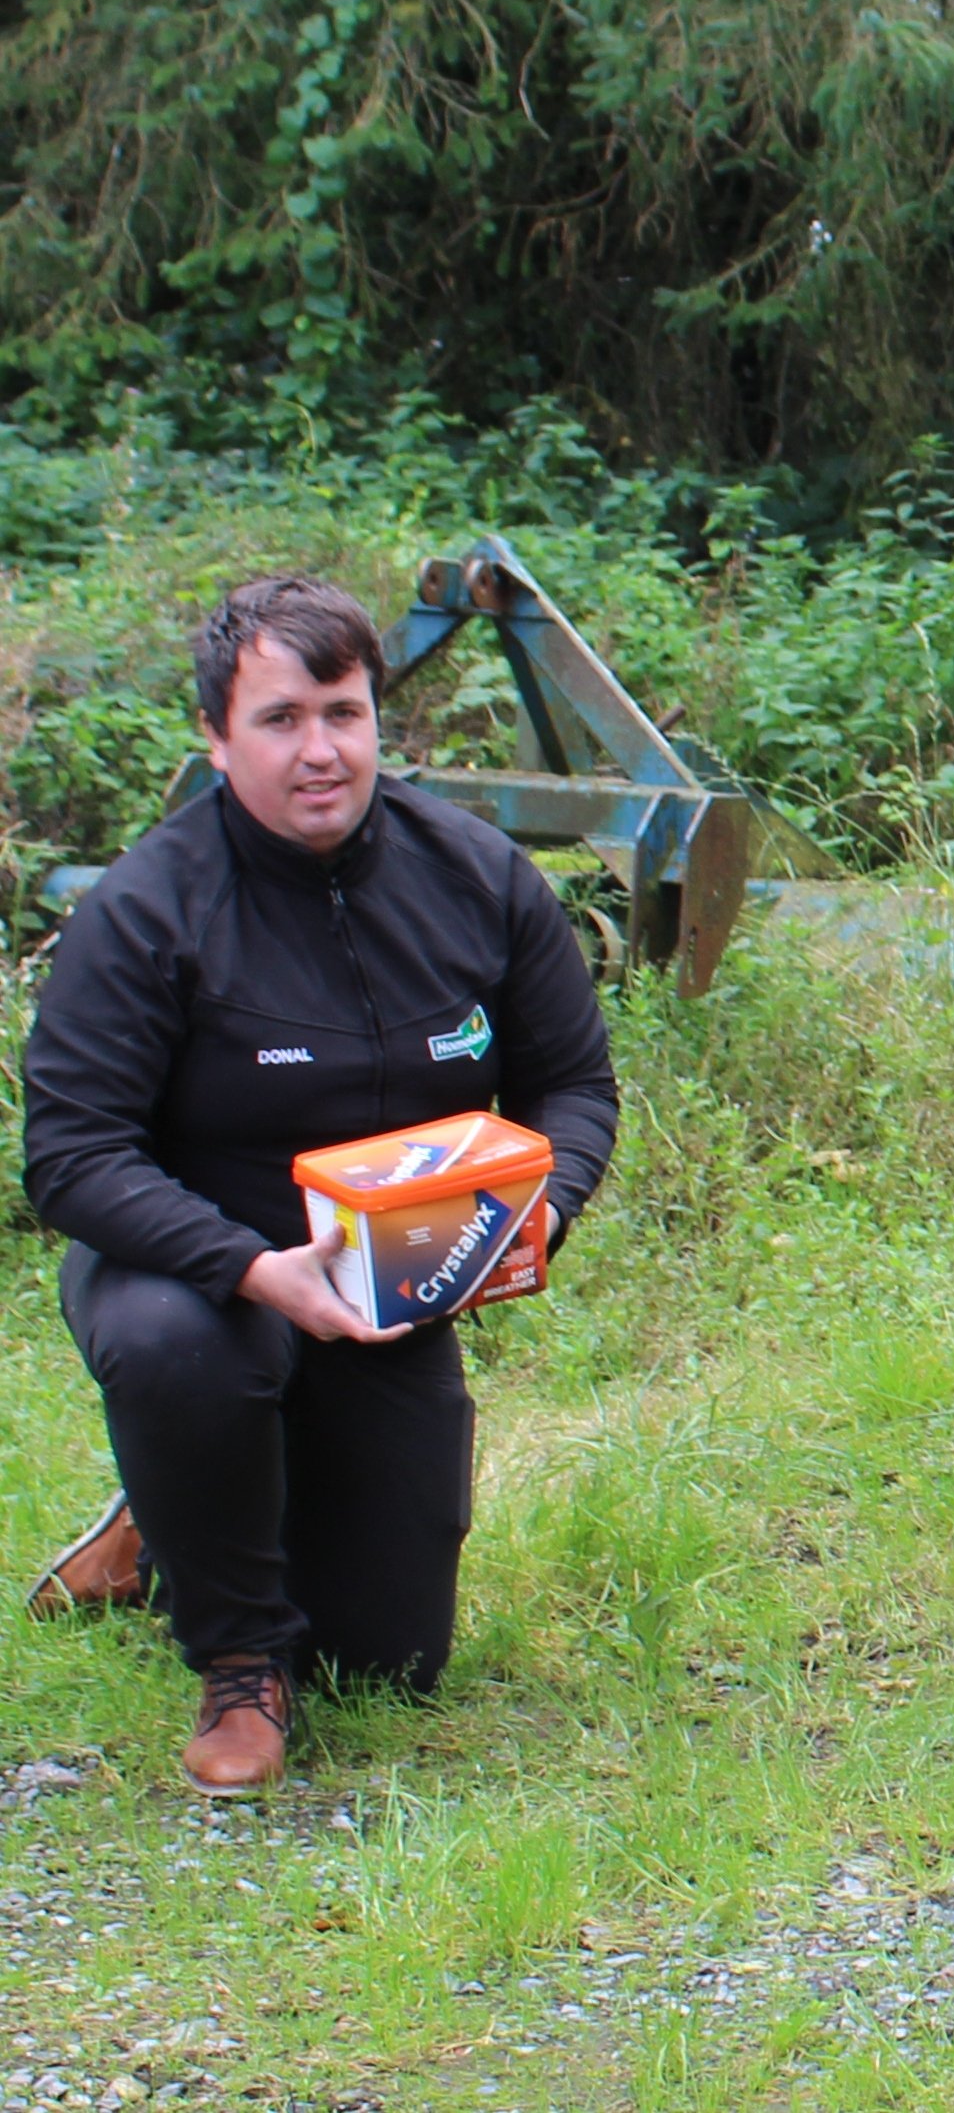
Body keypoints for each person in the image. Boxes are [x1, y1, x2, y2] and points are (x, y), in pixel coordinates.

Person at [22, 575, 620, 1798]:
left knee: (389, 1663)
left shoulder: (476, 874)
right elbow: (71, 1156)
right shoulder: (146, 909)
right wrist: (250, 1266)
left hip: (384, 1286)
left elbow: (574, 1088)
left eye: (342, 714)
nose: (320, 752)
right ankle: (237, 1655)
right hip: (192, 1272)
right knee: (187, 1350)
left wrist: (532, 1214)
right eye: (280, 721)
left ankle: (160, 1528)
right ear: (216, 737)